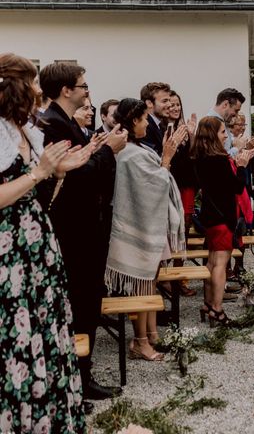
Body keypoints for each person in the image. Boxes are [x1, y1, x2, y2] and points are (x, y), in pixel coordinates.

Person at [0, 52, 92, 431]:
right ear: (14, 87)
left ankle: (49, 416)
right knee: (16, 336)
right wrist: (40, 172)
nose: (38, 91)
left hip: (37, 246)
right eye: (33, 83)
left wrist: (58, 172)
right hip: (9, 251)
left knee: (46, 329)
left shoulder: (24, 129)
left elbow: (38, 197)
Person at [39, 61, 126, 401]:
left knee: (86, 303)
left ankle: (81, 376)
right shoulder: (52, 125)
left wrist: (98, 148)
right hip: (73, 229)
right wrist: (108, 150)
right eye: (83, 85)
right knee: (79, 304)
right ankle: (77, 381)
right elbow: (78, 177)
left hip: (86, 225)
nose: (88, 90)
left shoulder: (65, 123)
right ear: (66, 90)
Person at [105, 98, 187, 361]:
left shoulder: (136, 148)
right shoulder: (128, 153)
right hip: (139, 228)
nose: (145, 124)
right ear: (131, 121)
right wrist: (166, 158)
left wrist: (165, 156)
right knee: (142, 285)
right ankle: (139, 341)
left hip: (152, 225)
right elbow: (153, 186)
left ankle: (151, 334)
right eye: (141, 120)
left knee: (150, 282)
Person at [192, 116, 254, 326]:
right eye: (221, 132)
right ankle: (217, 310)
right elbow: (237, 187)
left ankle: (208, 304)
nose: (225, 135)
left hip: (210, 215)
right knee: (220, 263)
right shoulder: (218, 159)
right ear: (212, 135)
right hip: (222, 216)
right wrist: (243, 165)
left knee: (211, 262)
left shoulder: (200, 157)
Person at [166, 90, 198, 297]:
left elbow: (193, 155)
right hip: (170, 183)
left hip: (186, 184)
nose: (175, 108)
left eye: (178, 104)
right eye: (171, 105)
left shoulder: (185, 129)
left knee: (184, 229)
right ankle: (165, 278)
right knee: (168, 229)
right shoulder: (162, 129)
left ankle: (179, 277)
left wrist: (193, 134)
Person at [209, 88, 246, 156]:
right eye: (236, 110)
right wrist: (237, 148)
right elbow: (217, 158)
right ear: (225, 104)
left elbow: (227, 145)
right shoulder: (211, 124)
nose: (236, 115)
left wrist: (236, 141)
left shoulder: (223, 121)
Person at [140, 82, 172, 156]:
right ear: (149, 103)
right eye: (165, 101)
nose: (170, 105)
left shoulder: (161, 125)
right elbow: (153, 157)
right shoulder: (144, 127)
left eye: (169, 100)